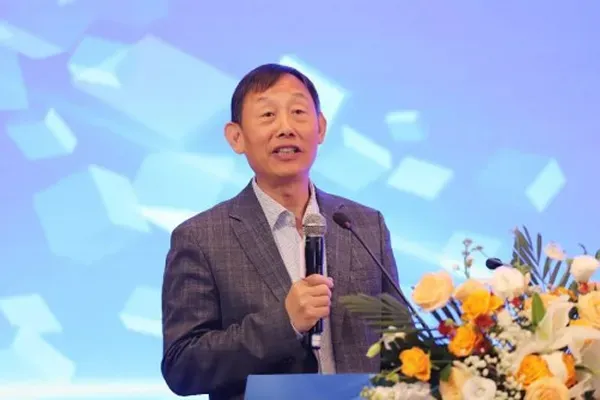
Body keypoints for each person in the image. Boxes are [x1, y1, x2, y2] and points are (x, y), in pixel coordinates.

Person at [161, 63, 402, 400]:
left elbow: (400, 343)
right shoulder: (202, 238)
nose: (286, 128)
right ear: (236, 137)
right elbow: (182, 367)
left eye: (298, 112)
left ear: (320, 128)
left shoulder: (364, 224)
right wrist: (284, 322)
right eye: (268, 115)